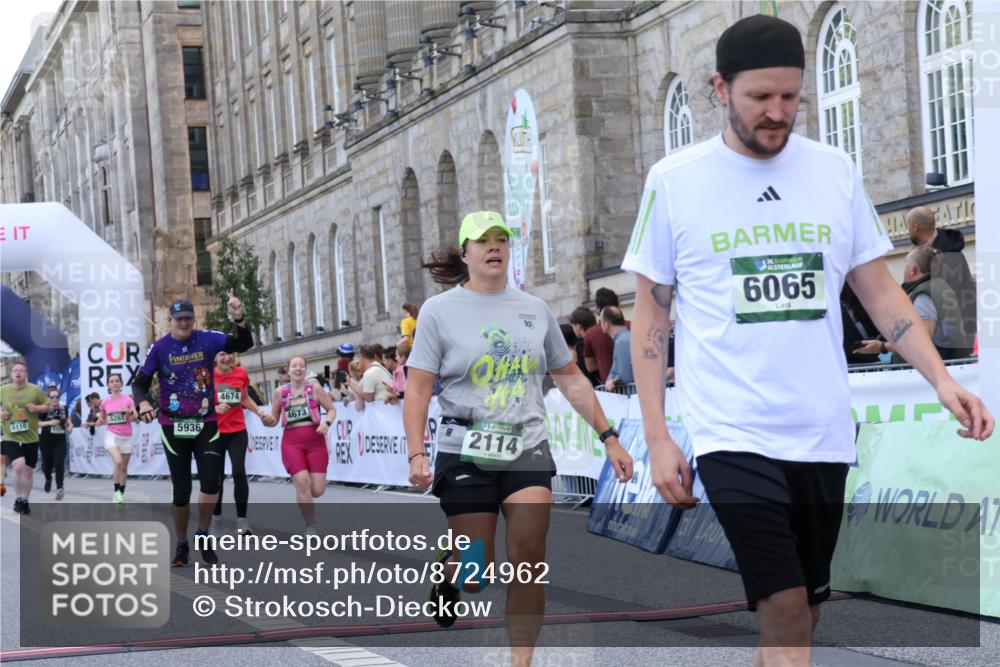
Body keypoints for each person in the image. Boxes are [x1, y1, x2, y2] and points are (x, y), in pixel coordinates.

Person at [621, 15, 994, 667]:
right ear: (719, 89)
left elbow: (880, 292)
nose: (777, 112)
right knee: (786, 604)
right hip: (730, 430)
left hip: (821, 430)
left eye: (790, 97)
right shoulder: (674, 180)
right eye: (760, 97)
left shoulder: (834, 171)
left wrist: (942, 378)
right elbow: (651, 315)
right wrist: (657, 434)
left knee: (804, 611)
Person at [404, 210, 633, 666]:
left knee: (529, 556)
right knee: (477, 573)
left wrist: (609, 436)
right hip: (464, 448)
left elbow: (569, 379)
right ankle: (452, 569)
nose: (494, 247)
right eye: (483, 240)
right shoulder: (438, 312)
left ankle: (520, 662)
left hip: (525, 445)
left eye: (501, 239)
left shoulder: (533, 309)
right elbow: (418, 387)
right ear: (466, 252)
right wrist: (416, 452)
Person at [132, 292, 253, 567]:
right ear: (170, 320)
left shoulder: (207, 338)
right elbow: (139, 382)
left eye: (188, 318)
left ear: (193, 320)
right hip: (173, 426)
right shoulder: (160, 348)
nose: (184, 323)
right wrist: (142, 404)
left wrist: (238, 317)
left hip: (206, 423)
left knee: (212, 483)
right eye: (179, 319)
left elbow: (243, 343)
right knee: (182, 490)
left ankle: (203, 534)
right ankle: (182, 542)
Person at [856, 246, 970, 363]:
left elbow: (922, 342)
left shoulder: (924, 295)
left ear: (913, 270)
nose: (905, 269)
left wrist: (882, 347)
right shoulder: (939, 285)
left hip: (929, 371)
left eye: (906, 265)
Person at [266, 356, 337, 534]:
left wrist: (326, 423)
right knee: (303, 482)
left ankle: (304, 494)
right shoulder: (279, 392)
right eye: (294, 366)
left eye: (301, 366)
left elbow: (331, 409)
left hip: (316, 442)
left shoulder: (315, 388)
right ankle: (310, 525)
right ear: (288, 370)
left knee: (317, 490)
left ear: (305, 369)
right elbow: (273, 420)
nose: (297, 369)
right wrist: (266, 420)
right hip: (292, 443)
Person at [212, 350, 274, 535]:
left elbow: (245, 398)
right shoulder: (206, 375)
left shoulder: (240, 373)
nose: (226, 358)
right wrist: (214, 407)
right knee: (216, 479)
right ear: (214, 357)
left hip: (237, 430)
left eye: (229, 354)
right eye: (222, 354)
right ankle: (216, 522)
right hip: (214, 433)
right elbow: (199, 402)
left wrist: (260, 412)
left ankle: (242, 522)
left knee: (239, 472)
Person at [906, 205, 977, 354]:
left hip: (950, 339)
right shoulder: (927, 251)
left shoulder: (947, 257)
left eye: (909, 227)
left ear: (915, 227)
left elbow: (945, 301)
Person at [0, 360, 50, 514]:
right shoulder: (3, 390)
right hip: (11, 435)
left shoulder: (34, 390)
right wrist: (1, 414)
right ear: (12, 374)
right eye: (16, 370)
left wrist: (36, 408)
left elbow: (47, 405)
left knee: (28, 471)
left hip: (31, 436)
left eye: (21, 370)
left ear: (26, 374)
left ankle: (24, 499)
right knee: (18, 466)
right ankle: (18, 498)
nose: (18, 372)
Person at [99, 373, 137, 506]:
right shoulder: (104, 402)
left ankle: (121, 493)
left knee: (124, 468)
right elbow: (103, 418)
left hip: (127, 436)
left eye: (117, 381)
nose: (114, 383)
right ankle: (116, 493)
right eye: (111, 381)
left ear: (121, 384)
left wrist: (129, 411)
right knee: (118, 462)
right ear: (108, 385)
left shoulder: (128, 400)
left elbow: (136, 415)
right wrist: (99, 421)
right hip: (112, 435)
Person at [39, 385, 73, 500]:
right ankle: (48, 478)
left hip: (60, 438)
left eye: (56, 396)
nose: (54, 399)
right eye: (52, 397)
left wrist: (70, 427)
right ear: (48, 398)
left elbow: (69, 421)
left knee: (59, 463)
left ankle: (60, 487)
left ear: (59, 397)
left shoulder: (64, 408)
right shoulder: (44, 409)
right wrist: (49, 423)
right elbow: (36, 423)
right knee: (47, 465)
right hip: (46, 439)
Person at [582, 288, 620, 384]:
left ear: (598, 309)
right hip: (636, 386)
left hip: (609, 388)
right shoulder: (632, 327)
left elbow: (590, 367)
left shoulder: (591, 333)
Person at [601, 306, 633, 390]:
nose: (600, 324)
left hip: (631, 396)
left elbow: (626, 377)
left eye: (600, 321)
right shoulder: (624, 338)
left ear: (606, 324)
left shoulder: (622, 342)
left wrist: (612, 381)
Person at [568, 307, 600, 386]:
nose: (573, 329)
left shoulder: (581, 346)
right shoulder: (600, 337)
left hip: (595, 388)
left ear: (578, 326)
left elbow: (585, 371)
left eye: (573, 326)